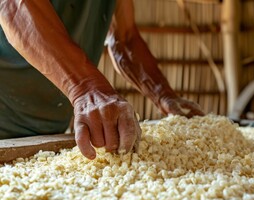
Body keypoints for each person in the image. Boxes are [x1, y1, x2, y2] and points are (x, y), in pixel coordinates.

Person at [0, 0, 204, 159]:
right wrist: (87, 88)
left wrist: (164, 95)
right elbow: (14, 8)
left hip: (46, 132)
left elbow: (125, 39)